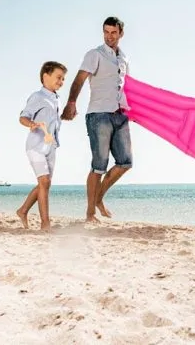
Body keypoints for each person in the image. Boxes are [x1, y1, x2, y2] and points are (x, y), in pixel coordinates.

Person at [61, 16, 132, 223]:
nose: (109, 36)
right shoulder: (95, 54)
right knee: (99, 165)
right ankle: (90, 213)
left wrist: (134, 111)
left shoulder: (124, 58)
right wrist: (71, 102)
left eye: (113, 32)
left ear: (121, 34)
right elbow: (79, 79)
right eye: (106, 32)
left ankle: (98, 199)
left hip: (120, 114)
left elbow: (127, 87)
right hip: (99, 114)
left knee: (125, 162)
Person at [16, 61, 67, 232]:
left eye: (63, 79)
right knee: (44, 181)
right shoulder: (37, 96)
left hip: (51, 146)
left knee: (45, 184)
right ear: (46, 76)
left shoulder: (57, 99)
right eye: (58, 77)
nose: (61, 81)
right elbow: (23, 117)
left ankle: (23, 211)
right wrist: (31, 124)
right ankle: (45, 224)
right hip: (35, 146)